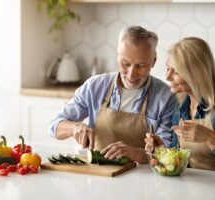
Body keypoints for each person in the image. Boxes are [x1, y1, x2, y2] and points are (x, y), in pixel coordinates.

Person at [49, 26, 176, 164]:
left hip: (144, 179)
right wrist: (74, 128)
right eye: (125, 63)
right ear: (117, 55)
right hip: (98, 176)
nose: (131, 74)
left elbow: (169, 152)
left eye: (141, 66)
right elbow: (54, 126)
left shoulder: (166, 97)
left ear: (154, 61)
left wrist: (138, 154)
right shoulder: (94, 86)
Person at [145, 37, 215, 170]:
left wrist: (210, 137)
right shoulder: (179, 105)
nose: (167, 77)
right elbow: (179, 158)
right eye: (168, 68)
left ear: (196, 74)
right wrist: (161, 150)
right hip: (190, 186)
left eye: (176, 71)